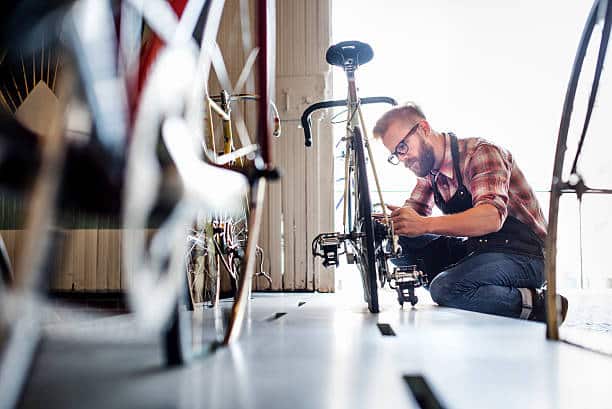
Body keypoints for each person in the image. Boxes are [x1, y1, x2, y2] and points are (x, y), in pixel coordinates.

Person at [372, 102, 568, 322]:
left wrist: (424, 224)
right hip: (479, 249)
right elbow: (413, 213)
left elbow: (491, 218)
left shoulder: (481, 153)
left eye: (403, 147)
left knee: (445, 288)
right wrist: (388, 224)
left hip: (526, 255)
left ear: (424, 129)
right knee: (401, 241)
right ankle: (469, 286)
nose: (402, 159)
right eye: (395, 155)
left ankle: (539, 304)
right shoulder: (430, 173)